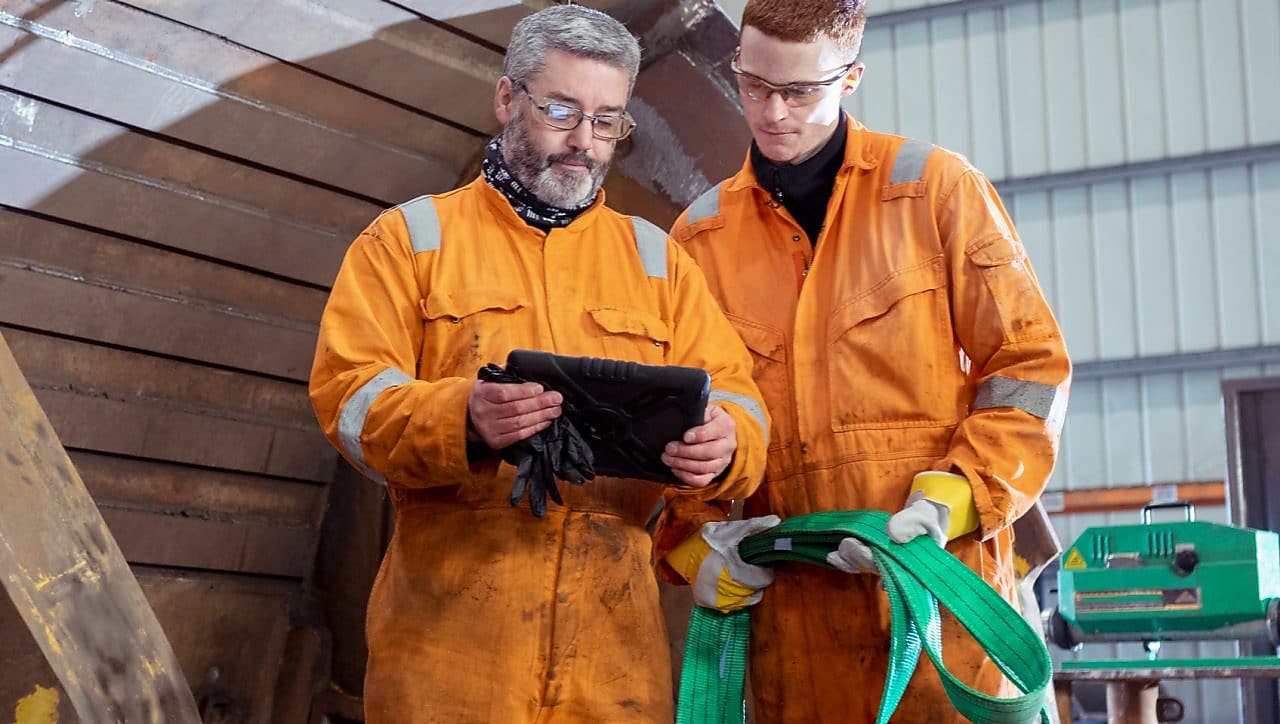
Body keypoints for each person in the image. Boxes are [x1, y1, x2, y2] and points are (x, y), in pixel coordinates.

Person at [308, 6, 769, 722]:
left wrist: (731, 441)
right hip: (450, 661)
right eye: (561, 110)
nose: (584, 142)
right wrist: (461, 417)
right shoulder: (408, 242)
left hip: (613, 665)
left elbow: (739, 396)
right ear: (505, 98)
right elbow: (350, 400)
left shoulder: (659, 265)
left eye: (608, 120)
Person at [652, 1, 1072, 722]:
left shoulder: (937, 191)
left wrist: (957, 497)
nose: (772, 113)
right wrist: (700, 543)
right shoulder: (700, 238)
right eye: (753, 86)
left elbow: (1029, 366)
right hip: (794, 633)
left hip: (939, 611)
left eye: (799, 92)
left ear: (850, 79)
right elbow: (685, 420)